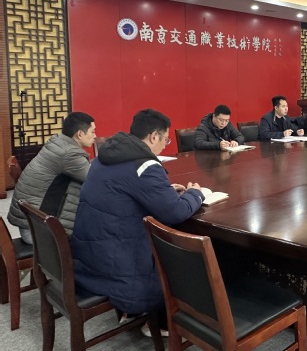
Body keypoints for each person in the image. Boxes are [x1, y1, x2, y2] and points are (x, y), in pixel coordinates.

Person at [70, 109, 204, 331]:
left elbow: (123, 192)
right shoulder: (144, 166)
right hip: (116, 267)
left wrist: (162, 192)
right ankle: (163, 323)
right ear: (153, 136)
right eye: (165, 139)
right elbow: (175, 212)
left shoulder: (105, 156)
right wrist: (196, 194)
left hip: (88, 256)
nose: (165, 145)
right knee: (185, 258)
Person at [8, 112, 96, 242]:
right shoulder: (69, 153)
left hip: (31, 221)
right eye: (92, 132)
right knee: (99, 231)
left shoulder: (58, 142)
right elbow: (95, 180)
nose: (95, 136)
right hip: (37, 231)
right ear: (80, 134)